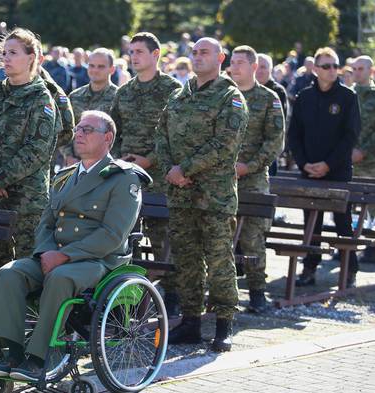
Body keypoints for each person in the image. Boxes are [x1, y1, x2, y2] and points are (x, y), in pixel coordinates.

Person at [0, 111, 149, 381]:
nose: (79, 134)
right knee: (9, 273)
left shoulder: (124, 179)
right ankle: (12, 354)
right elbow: (46, 224)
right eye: (78, 129)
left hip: (97, 262)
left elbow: (113, 234)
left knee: (60, 278)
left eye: (87, 130)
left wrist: (64, 255)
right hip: (55, 256)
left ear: (107, 138)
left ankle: (37, 359)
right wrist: (46, 253)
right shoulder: (65, 176)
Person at [154, 37, 248, 352]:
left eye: (203, 52)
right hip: (180, 195)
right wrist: (170, 169)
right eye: (193, 52)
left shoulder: (230, 97)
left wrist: (186, 169)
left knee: (220, 259)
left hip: (214, 196)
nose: (196, 57)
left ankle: (224, 324)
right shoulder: (179, 96)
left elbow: (225, 143)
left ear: (220, 57)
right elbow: (161, 135)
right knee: (187, 259)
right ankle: (191, 321)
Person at [0, 28, 58, 345]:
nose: (5, 58)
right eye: (3, 53)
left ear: (32, 58)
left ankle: (31, 331)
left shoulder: (41, 100)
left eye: (13, 53)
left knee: (26, 266)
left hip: (26, 201)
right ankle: (0, 329)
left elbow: (38, 150)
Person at [110, 32, 181, 315]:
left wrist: (149, 160)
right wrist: (118, 160)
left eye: (140, 51)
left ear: (156, 55)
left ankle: (174, 293)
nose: (134, 56)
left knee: (163, 236)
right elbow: (113, 132)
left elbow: (176, 136)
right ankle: (131, 293)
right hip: (127, 177)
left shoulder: (172, 89)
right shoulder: (124, 92)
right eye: (131, 51)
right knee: (128, 237)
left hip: (160, 178)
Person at [288, 47, 361, 288]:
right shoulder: (305, 98)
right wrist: (304, 163)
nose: (332, 70)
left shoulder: (348, 97)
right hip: (309, 170)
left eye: (335, 65)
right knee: (312, 223)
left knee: (343, 223)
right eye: (326, 66)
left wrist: (328, 165)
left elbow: (350, 137)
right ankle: (309, 268)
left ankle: (349, 269)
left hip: (338, 172)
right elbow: (294, 135)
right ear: (316, 69)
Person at [229, 46, 284, 312]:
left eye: (240, 62)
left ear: (253, 66)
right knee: (219, 238)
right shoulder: (223, 95)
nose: (234, 67)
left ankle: (257, 292)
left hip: (252, 179)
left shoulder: (268, 98)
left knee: (252, 238)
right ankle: (220, 294)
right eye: (232, 62)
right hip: (221, 179)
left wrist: (249, 166)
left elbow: (274, 142)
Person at [67, 48, 117, 164]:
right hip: (76, 164)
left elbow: (124, 134)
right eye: (92, 66)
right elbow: (66, 130)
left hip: (107, 166)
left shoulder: (120, 97)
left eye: (101, 66)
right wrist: (68, 156)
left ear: (112, 69)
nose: (95, 70)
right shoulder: (75, 96)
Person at [351, 56, 375, 263]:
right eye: (354, 69)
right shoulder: (347, 94)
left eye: (361, 69)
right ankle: (349, 245)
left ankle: (372, 247)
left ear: (371, 71)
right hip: (349, 161)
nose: (357, 72)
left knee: (373, 208)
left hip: (371, 162)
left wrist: (364, 150)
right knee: (350, 206)